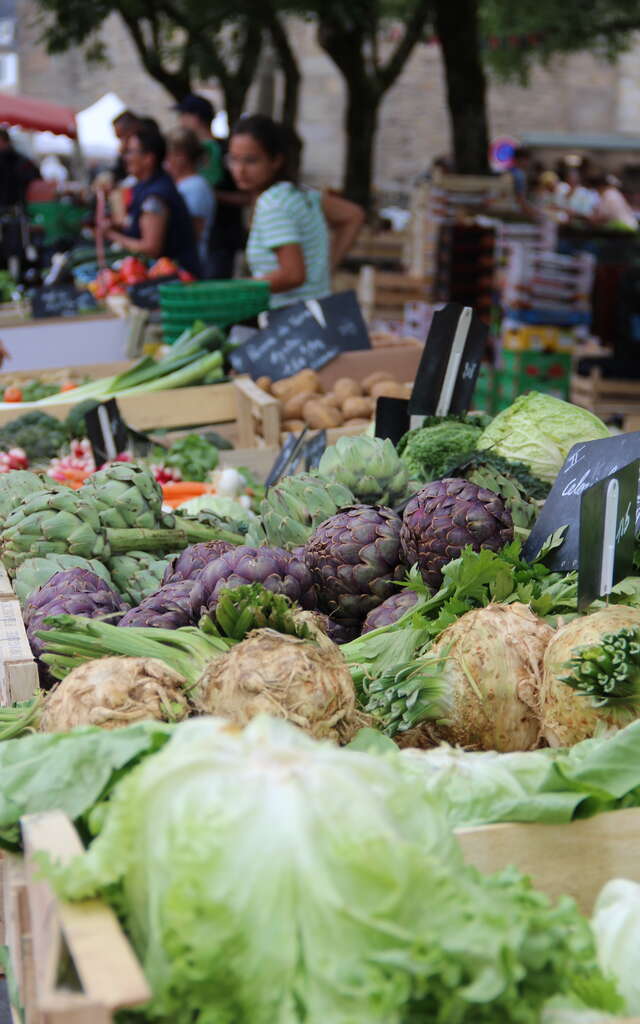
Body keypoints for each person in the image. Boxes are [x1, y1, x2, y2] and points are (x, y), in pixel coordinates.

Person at [228, 114, 364, 307]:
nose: (239, 170)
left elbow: (293, 275)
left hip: (290, 317)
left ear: (275, 161)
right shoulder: (301, 194)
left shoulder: (272, 203)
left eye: (251, 161)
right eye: (234, 159)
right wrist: (326, 266)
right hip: (315, 310)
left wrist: (236, 288)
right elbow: (353, 215)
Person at [105, 125, 201, 276]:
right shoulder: (145, 187)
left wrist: (111, 235)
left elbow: (151, 248)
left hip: (176, 282)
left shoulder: (156, 196)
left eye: (130, 152)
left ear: (148, 158)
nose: (126, 157)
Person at [174, 93, 247, 278]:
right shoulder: (191, 153)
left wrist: (209, 193)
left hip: (221, 239)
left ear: (195, 118)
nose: (180, 121)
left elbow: (247, 196)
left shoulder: (226, 151)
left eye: (183, 116)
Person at [166, 128, 215, 277]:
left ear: (182, 156)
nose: (167, 161)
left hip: (189, 265)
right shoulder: (183, 183)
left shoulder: (196, 187)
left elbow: (195, 231)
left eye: (170, 155)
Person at [0, 130, 40, 207]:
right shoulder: (19, 159)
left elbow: (35, 177)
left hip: (14, 205)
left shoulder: (19, 160)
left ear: (5, 141)